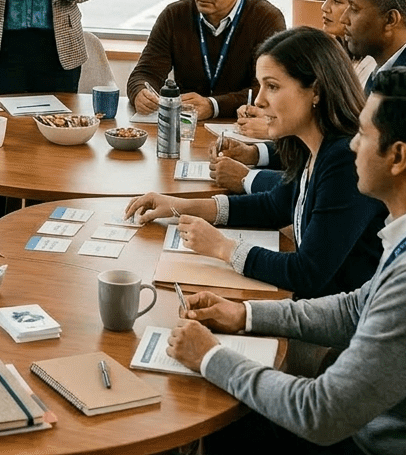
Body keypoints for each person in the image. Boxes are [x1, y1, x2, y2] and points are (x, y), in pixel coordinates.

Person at [154, 67, 406, 455]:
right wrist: (243, 315)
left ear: (398, 157)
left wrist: (210, 356)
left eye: (364, 134)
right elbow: (359, 306)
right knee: (228, 427)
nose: (351, 145)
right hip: (386, 427)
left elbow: (321, 413)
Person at [127, 27, 384, 299]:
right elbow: (274, 206)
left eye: (272, 86)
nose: (259, 101)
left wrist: (222, 248)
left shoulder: (346, 159)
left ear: (316, 91)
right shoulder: (311, 145)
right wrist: (180, 206)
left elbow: (307, 273)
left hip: (339, 328)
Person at [216, 0, 378, 193]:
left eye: (338, 1)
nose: (324, 8)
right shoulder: (343, 55)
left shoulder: (377, 75)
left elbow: (330, 167)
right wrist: (254, 151)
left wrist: (249, 175)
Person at [127, 0, 284, 120]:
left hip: (243, 128)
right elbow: (144, 73)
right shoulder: (174, 15)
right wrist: (140, 93)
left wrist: (214, 105)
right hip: (186, 127)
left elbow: (270, 87)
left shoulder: (266, 18)